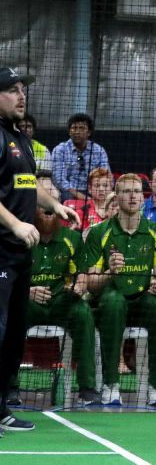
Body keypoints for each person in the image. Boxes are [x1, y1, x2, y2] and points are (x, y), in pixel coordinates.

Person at [0, 66, 80, 433]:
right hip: (1, 250)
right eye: (13, 90)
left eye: (23, 89)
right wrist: (15, 223)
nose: (22, 95)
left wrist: (54, 205)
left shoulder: (20, 138)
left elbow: (28, 186)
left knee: (14, 333)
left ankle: (2, 405)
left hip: (19, 254)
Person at [6, 178, 100, 407]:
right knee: (12, 314)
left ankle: (87, 387)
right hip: (29, 302)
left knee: (83, 312)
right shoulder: (20, 235)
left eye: (52, 203)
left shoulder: (73, 239)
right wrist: (27, 292)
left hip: (61, 300)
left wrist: (80, 286)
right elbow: (7, 277)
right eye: (42, 204)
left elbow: (83, 275)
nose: (48, 210)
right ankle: (9, 387)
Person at [81, 174, 156, 406]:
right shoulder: (99, 233)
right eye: (126, 191)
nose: (132, 196)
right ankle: (110, 385)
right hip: (111, 300)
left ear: (143, 198)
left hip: (143, 300)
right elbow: (91, 283)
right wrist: (110, 273)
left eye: (137, 192)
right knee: (113, 301)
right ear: (117, 195)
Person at [51, 113, 110, 201]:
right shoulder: (60, 150)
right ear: (69, 131)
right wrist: (82, 197)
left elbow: (106, 175)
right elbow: (59, 180)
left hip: (93, 190)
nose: (77, 132)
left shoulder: (99, 150)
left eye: (82, 128)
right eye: (74, 128)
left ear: (89, 132)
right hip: (68, 192)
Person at [64, 167, 114, 232]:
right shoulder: (82, 210)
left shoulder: (117, 208)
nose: (101, 189)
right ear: (90, 189)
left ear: (111, 187)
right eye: (97, 185)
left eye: (105, 185)